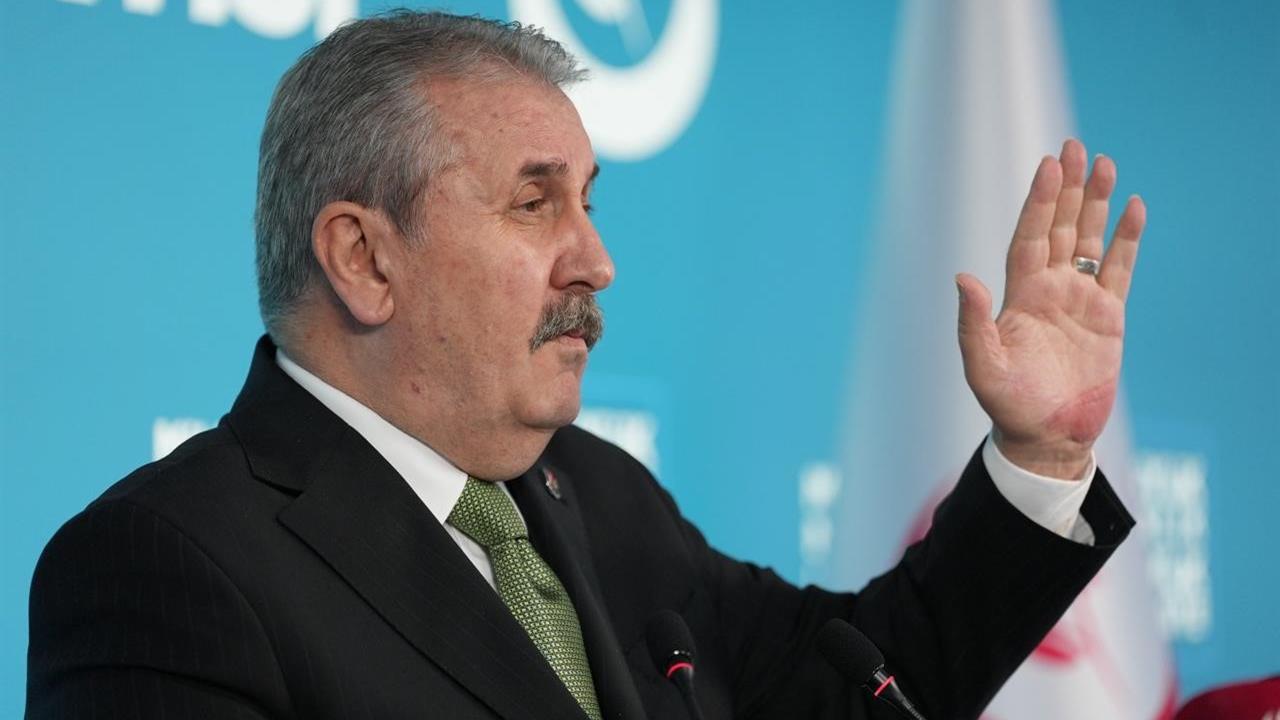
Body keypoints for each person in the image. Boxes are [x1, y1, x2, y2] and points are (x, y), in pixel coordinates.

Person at [26, 11, 1147, 720]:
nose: (597, 261)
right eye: (533, 203)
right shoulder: (162, 568)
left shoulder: (597, 494)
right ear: (365, 259)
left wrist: (1038, 454)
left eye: (587, 202)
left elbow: (859, 685)